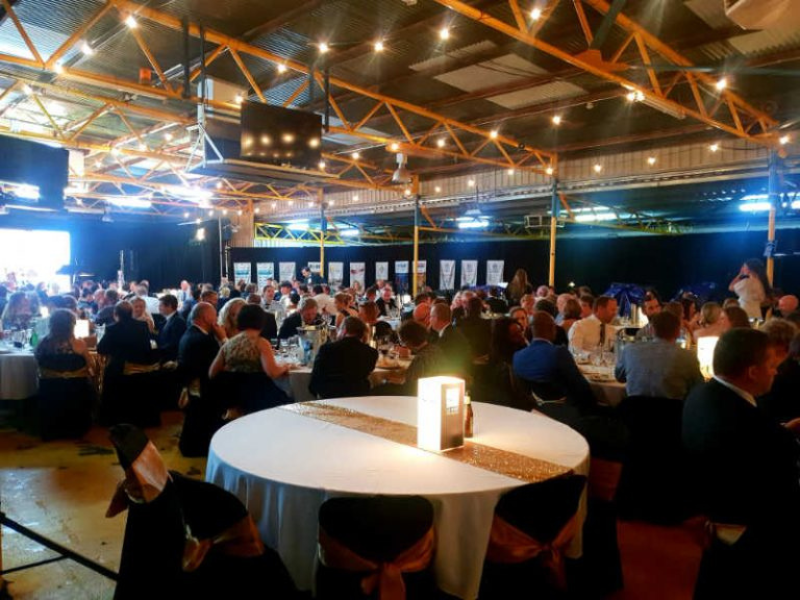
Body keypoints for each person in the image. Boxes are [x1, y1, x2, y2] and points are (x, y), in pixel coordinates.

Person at [683, 328, 800, 598]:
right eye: (771, 366)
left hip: (714, 509)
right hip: (751, 533)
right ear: (752, 372)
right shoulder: (758, 431)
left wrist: (783, 431)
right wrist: (784, 441)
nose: (776, 372)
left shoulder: (700, 395)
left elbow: (742, 444)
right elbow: (784, 495)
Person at [209, 305, 291, 419]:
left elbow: (212, 373)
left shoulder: (229, 344)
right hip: (259, 396)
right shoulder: (261, 343)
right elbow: (272, 372)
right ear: (261, 321)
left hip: (233, 397)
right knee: (289, 404)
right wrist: (285, 367)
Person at [34, 308, 94, 439]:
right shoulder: (79, 344)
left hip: (50, 390)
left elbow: (38, 363)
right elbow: (91, 364)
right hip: (76, 390)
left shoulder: (43, 344)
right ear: (72, 325)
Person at [615, 312, 703, 400]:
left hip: (634, 411)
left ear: (651, 330)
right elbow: (698, 389)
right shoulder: (688, 357)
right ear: (678, 332)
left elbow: (619, 377)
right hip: (673, 413)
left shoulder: (630, 350)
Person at [177, 302, 227, 456]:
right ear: (206, 317)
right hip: (206, 388)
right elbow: (224, 362)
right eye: (215, 315)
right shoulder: (203, 341)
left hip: (194, 385)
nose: (218, 319)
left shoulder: (191, 333)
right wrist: (224, 339)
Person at [309, 317, 378, 399]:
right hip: (359, 397)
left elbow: (315, 381)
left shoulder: (327, 349)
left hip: (330, 398)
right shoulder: (372, 353)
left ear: (344, 330)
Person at [471, 317, 531, 410]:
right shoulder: (504, 367)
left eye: (521, 332)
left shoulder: (524, 350)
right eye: (515, 335)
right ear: (505, 339)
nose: (521, 337)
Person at [429, 302, 471, 378]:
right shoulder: (450, 331)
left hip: (454, 377)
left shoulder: (448, 337)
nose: (429, 320)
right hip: (456, 373)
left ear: (437, 317)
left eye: (431, 316)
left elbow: (435, 360)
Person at [156, 294, 186, 363]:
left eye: (161, 305)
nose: (159, 308)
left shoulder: (178, 321)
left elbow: (174, 344)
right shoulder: (169, 319)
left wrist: (156, 351)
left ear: (169, 306)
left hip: (170, 360)